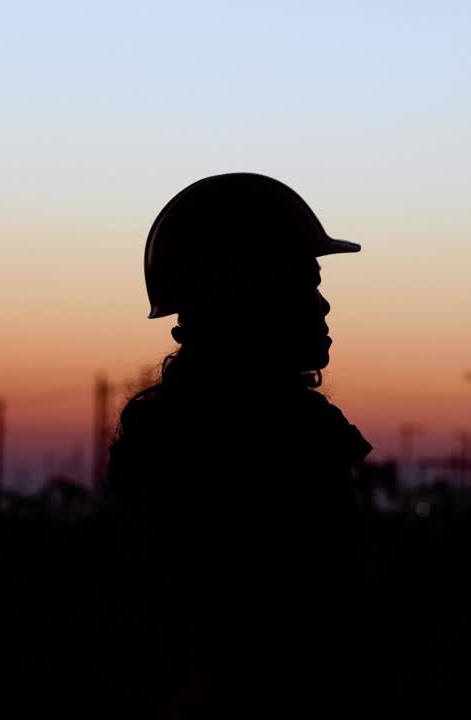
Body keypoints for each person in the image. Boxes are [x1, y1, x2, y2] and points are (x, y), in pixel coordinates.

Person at [106, 172, 373, 715]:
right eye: (305, 285)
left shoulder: (163, 432)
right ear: (250, 299)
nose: (323, 306)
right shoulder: (289, 439)